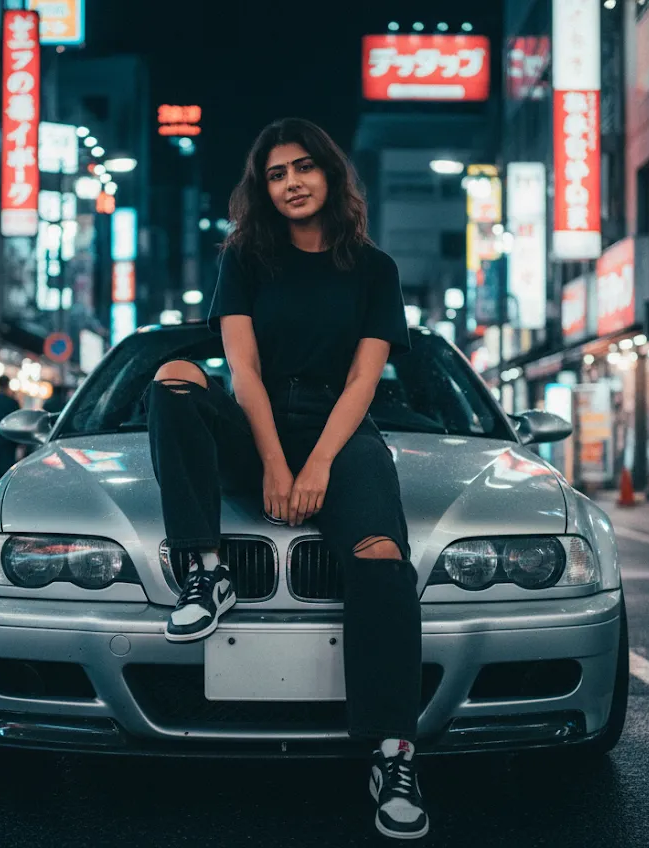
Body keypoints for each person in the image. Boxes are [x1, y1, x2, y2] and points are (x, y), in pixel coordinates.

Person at [144, 118, 427, 839]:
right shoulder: (244, 259)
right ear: (261, 188)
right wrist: (274, 461)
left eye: (304, 167)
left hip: (340, 428)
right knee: (175, 375)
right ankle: (207, 574)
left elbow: (366, 378)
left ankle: (392, 753)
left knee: (384, 561)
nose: (292, 181)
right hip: (255, 421)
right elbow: (240, 370)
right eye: (276, 173)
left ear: (331, 175)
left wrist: (319, 464)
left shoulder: (374, 269)